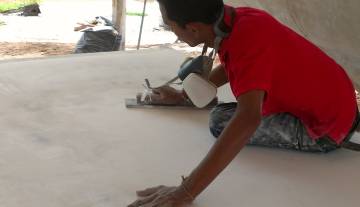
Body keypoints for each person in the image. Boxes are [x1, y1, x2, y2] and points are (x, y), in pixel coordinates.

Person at [128, 0, 360, 206]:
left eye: (171, 26)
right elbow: (239, 64)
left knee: (220, 121)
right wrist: (184, 95)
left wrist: (185, 192)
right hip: (339, 103)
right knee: (225, 113)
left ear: (193, 28)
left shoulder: (246, 43)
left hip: (326, 128)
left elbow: (249, 118)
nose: (172, 31)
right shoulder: (239, 20)